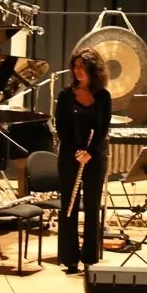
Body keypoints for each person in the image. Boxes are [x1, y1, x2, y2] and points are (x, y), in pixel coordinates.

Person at [55, 47, 112, 274]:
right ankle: (70, 258)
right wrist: (77, 152)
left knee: (91, 207)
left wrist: (89, 152)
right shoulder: (65, 96)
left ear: (93, 70)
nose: (78, 71)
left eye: (83, 67)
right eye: (75, 66)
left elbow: (103, 128)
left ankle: (89, 257)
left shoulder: (103, 97)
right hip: (69, 156)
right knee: (68, 208)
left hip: (95, 157)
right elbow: (61, 128)